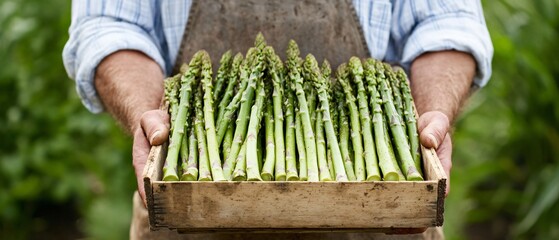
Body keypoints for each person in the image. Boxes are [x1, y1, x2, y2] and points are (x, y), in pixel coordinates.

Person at [63, 0, 493, 239]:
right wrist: (148, 114)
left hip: (381, 216)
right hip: (188, 209)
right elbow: (110, 24)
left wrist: (430, 114)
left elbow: (447, 22)